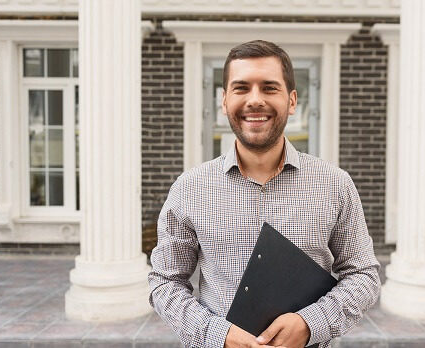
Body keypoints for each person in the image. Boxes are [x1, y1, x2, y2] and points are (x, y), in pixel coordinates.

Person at [148, 40, 380, 348]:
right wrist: (218, 334)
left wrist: (311, 324)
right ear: (224, 100)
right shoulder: (190, 188)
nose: (255, 100)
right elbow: (165, 282)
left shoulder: (334, 184)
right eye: (241, 88)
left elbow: (363, 275)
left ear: (292, 100)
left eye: (269, 88)